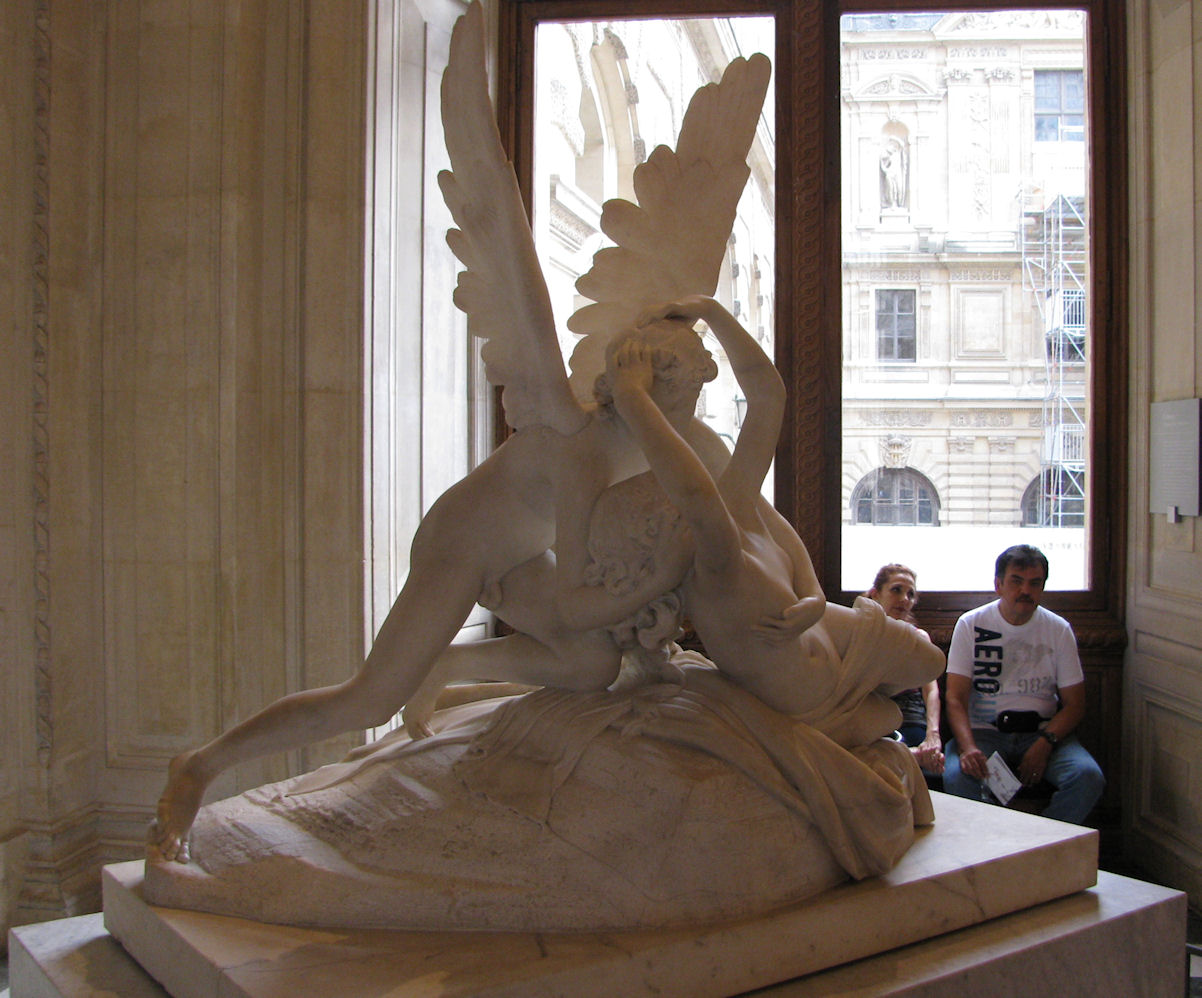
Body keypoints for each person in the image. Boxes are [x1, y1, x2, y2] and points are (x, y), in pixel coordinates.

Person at [151, 314, 722, 862]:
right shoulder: (585, 450)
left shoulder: (652, 443)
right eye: (683, 396)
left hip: (522, 554)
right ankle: (200, 766)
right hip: (462, 546)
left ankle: (449, 665)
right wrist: (653, 584)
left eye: (696, 396)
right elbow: (576, 600)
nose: (690, 414)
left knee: (590, 664)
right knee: (371, 698)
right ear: (643, 390)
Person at [609, 297, 943, 718]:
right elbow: (694, 492)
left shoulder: (739, 506)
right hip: (810, 695)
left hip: (824, 639)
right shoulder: (714, 554)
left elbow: (768, 396)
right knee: (891, 711)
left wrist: (711, 310)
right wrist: (631, 397)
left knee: (926, 661)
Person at [942, 544, 1104, 824]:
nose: (1025, 591)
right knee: (957, 777)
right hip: (984, 733)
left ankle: (1043, 841)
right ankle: (996, 844)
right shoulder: (971, 624)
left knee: (1087, 777)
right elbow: (955, 698)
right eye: (1016, 581)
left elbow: (1075, 704)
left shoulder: (1058, 630)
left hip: (1043, 731)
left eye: (1034, 583)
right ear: (999, 585)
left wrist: (1045, 742)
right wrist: (968, 747)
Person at [866, 564, 944, 775]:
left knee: (930, 760)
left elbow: (931, 691)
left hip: (910, 718)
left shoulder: (918, 638)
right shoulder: (859, 634)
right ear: (875, 594)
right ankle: (911, 756)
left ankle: (911, 755)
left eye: (910, 594)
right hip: (872, 717)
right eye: (896, 590)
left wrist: (933, 735)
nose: (904, 599)